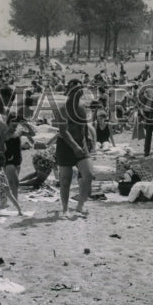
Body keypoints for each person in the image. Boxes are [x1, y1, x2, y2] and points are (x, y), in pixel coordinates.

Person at [53, 80, 95, 217]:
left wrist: (88, 140)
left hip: (81, 144)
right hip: (65, 146)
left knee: (88, 174)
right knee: (65, 180)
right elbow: (63, 131)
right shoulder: (62, 109)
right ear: (69, 93)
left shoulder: (82, 107)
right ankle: (65, 209)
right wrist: (75, 147)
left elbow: (84, 126)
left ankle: (80, 205)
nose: (78, 93)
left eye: (80, 90)